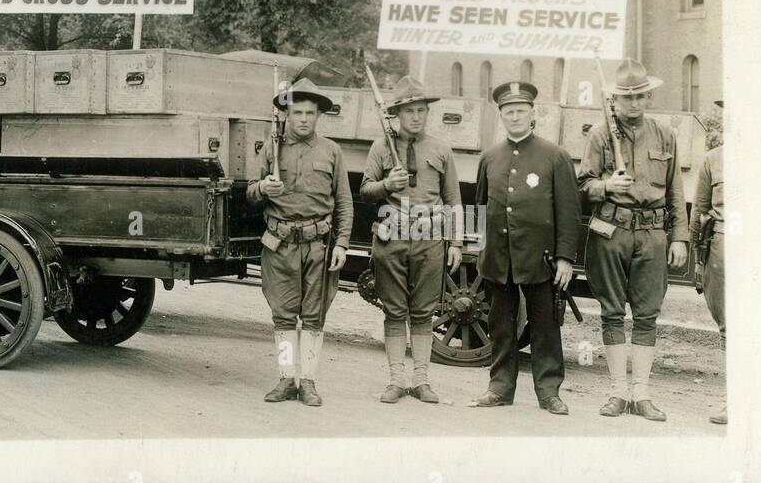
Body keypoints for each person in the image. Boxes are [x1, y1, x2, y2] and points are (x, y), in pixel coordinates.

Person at [577, 59, 689, 422]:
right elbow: (581, 187)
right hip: (611, 231)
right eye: (627, 98)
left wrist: (679, 239)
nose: (634, 104)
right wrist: (607, 186)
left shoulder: (664, 135)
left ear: (648, 96)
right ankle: (617, 392)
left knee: (647, 315)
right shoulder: (599, 135)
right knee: (611, 312)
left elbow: (675, 191)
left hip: (653, 236)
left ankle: (641, 394)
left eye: (640, 96)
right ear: (615, 100)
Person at [470, 80, 578, 415]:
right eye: (508, 111)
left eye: (521, 110)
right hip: (498, 258)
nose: (515, 116)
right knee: (500, 325)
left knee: (545, 326)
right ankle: (500, 388)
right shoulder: (489, 158)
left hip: (540, 259)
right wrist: (480, 251)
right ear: (501, 116)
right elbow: (480, 208)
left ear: (533, 114)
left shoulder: (555, 156)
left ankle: (549, 392)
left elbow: (569, 212)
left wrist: (564, 258)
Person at [246, 78, 353, 407]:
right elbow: (249, 194)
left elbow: (344, 203)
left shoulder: (332, 151)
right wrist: (263, 188)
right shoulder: (271, 147)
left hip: (318, 246)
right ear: (287, 115)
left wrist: (342, 244)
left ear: (319, 115)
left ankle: (307, 381)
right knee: (282, 316)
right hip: (279, 244)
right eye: (297, 113)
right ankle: (285, 378)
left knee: (313, 317)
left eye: (310, 113)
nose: (304, 119)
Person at [359, 76, 463, 404]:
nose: (416, 117)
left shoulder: (441, 149)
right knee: (394, 311)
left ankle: (421, 380)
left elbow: (453, 200)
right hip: (391, 237)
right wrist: (387, 184)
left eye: (421, 110)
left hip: (430, 238)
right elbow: (364, 190)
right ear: (397, 115)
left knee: (423, 312)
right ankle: (395, 380)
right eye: (409, 111)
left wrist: (457, 242)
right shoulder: (380, 147)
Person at [692, 99, 725, 425]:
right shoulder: (713, 160)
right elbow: (700, 210)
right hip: (722, 248)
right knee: (729, 326)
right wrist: (698, 261)